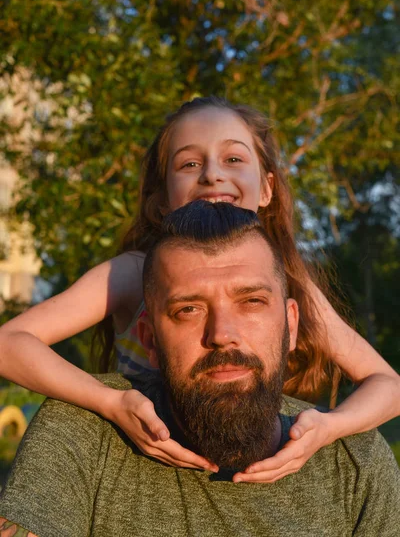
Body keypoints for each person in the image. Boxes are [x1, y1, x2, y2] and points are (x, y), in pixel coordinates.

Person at [0, 96, 399, 481]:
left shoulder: (290, 280)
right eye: (189, 163)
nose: (211, 173)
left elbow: (389, 385)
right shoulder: (130, 274)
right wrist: (110, 401)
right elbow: (9, 343)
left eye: (233, 159)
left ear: (266, 189)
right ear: (161, 203)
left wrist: (330, 427)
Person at [0, 201, 399, 537]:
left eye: (252, 302)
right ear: (150, 339)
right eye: (188, 310)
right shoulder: (82, 429)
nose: (222, 335)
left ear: (291, 325)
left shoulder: (355, 460)